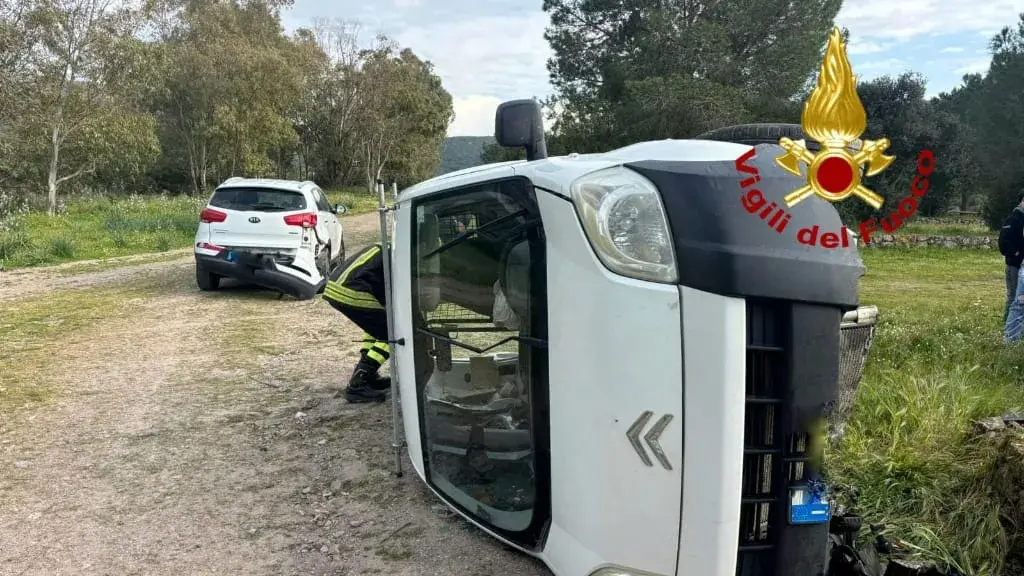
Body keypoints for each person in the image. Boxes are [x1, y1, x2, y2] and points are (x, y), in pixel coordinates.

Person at [323, 243, 392, 403]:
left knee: (377, 327)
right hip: (351, 290)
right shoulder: (401, 256)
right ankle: (358, 384)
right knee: (393, 332)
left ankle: (369, 375)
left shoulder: (389, 247)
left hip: (337, 287)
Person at [1000, 192, 1024, 321]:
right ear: (1022, 201)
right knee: (1014, 297)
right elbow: (1004, 243)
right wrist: (1016, 253)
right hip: (1015, 265)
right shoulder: (1013, 219)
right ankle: (1008, 324)